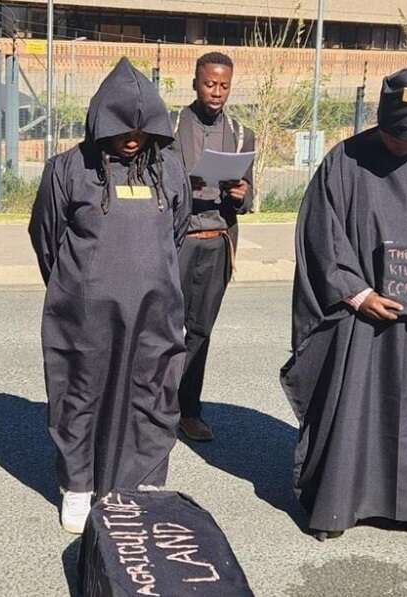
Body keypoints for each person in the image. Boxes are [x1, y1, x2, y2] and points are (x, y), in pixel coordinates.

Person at [280, 66, 407, 540]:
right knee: (354, 403)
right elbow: (320, 236)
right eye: (395, 137)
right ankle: (339, 505)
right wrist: (359, 293)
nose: (402, 147)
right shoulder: (344, 160)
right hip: (362, 314)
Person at [29, 58, 191, 534]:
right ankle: (78, 485)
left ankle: (139, 479)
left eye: (142, 128)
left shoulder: (170, 169)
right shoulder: (68, 169)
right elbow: (46, 237)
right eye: (123, 127)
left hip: (154, 312)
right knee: (79, 393)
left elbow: (175, 233)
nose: (133, 137)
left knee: (152, 392)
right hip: (83, 312)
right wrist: (79, 287)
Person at [172, 52, 256, 442]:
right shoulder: (170, 127)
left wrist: (240, 193)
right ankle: (156, 409)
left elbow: (248, 194)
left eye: (224, 85)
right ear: (195, 82)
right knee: (163, 329)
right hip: (177, 241)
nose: (217, 92)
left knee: (200, 332)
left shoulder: (241, 134)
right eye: (210, 84)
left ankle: (189, 410)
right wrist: (179, 188)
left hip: (218, 241)